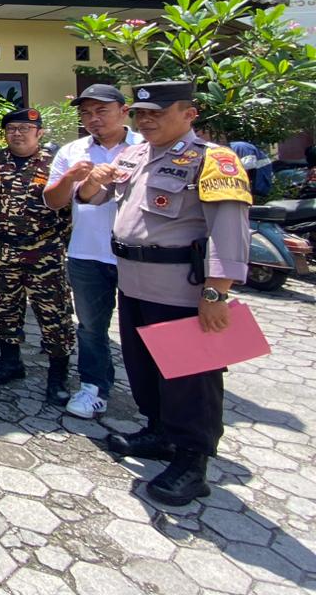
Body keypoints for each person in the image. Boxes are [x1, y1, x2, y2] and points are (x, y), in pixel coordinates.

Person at [74, 81, 250, 505]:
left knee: (191, 378)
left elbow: (228, 232)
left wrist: (215, 295)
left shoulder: (213, 161)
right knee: (143, 365)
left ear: (189, 114)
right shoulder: (135, 155)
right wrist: (92, 180)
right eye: (141, 114)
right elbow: (92, 198)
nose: (146, 121)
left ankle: (193, 463)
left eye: (158, 113)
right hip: (133, 283)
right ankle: (157, 431)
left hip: (182, 291)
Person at [44, 83, 140, 419]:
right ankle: (94, 387)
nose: (93, 119)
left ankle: (159, 395)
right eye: (86, 113)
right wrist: (70, 179)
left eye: (101, 111)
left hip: (141, 258)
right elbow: (53, 202)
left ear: (123, 111)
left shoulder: (148, 148)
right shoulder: (73, 151)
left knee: (147, 328)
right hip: (87, 252)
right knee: (90, 327)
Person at [0, 109, 74, 402]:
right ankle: (10, 361)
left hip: (43, 251)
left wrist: (60, 244)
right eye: (11, 129)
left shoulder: (55, 163)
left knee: (54, 314)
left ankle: (58, 375)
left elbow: (69, 209)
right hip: (2, 249)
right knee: (1, 307)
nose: (17, 133)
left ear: (39, 132)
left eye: (24, 128)